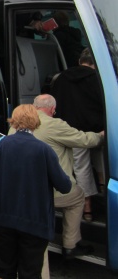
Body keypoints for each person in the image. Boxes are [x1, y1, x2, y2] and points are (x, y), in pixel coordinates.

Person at [0, 104, 71, 279]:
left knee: (2, 269)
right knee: (30, 272)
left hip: (3, 219)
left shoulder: (1, 144)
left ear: (14, 121)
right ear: (35, 122)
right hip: (34, 222)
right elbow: (65, 186)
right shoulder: (44, 150)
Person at [32, 94, 104, 259]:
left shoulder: (18, 123)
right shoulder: (54, 124)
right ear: (53, 109)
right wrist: (100, 136)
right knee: (78, 195)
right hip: (50, 193)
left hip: (26, 189)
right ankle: (70, 245)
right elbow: (84, 140)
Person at [51, 48, 105, 221]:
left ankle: (86, 207)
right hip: (98, 130)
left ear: (80, 61)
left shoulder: (61, 78)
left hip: (74, 132)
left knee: (81, 168)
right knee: (102, 160)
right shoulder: (98, 80)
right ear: (94, 64)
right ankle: (104, 190)